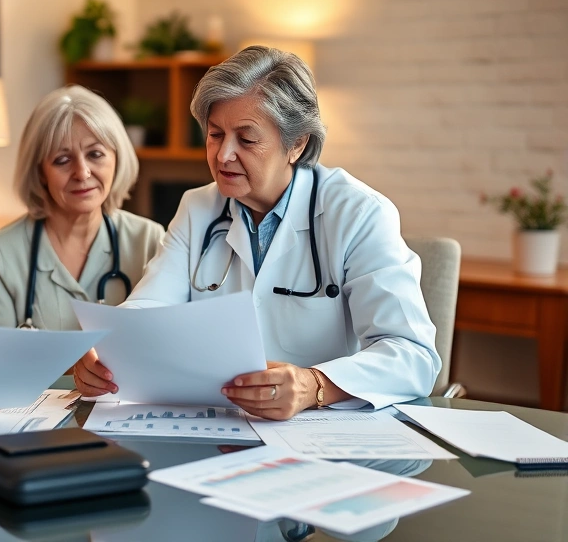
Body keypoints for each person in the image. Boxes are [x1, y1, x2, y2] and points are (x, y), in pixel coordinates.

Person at [74, 46, 440, 418]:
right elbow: (148, 308)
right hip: (219, 421)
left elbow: (413, 356)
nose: (223, 155)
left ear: (297, 144)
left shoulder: (358, 213)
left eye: (246, 139)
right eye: (215, 135)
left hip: (320, 426)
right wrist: (107, 350)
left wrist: (313, 385)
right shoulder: (197, 208)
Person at [0, 85, 165, 339]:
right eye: (62, 160)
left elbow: (162, 342)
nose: (82, 173)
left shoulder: (149, 240)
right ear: (40, 172)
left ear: (117, 159)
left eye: (95, 154)